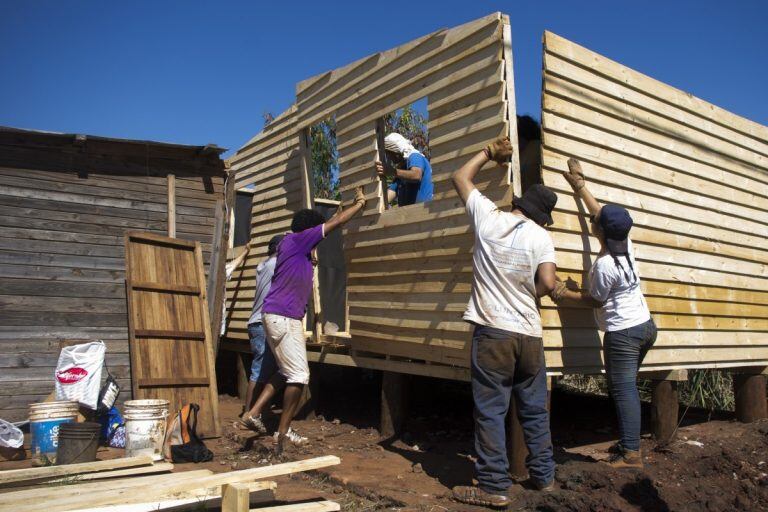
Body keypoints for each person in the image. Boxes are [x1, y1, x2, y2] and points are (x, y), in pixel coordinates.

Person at [450, 137, 559, 509]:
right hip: (529, 334)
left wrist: (487, 153)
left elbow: (459, 177)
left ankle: (494, 487)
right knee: (533, 410)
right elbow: (546, 283)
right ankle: (543, 478)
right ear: (542, 217)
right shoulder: (543, 237)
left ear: (518, 205)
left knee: (491, 410)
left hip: (493, 333)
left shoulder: (488, 218)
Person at [241, 187, 367, 453]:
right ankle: (282, 432)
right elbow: (335, 223)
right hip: (284, 317)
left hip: (277, 315)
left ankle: (253, 413)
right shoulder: (298, 240)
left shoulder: (291, 246)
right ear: (309, 231)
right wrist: (358, 205)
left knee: (285, 371)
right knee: (299, 375)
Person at [551, 158, 656, 469]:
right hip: (645, 326)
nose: (592, 219)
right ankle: (628, 442)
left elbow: (594, 301)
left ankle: (631, 455)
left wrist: (562, 292)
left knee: (624, 391)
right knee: (628, 387)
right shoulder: (626, 243)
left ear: (598, 231)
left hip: (624, 334)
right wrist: (580, 186)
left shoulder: (605, 265)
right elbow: (601, 214)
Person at [239, 234, 284, 433]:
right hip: (262, 323)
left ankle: (256, 411)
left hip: (256, 323)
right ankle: (249, 414)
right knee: (260, 370)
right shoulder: (276, 265)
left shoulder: (263, 265)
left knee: (263, 368)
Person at [375, 132, 433, 206]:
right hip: (408, 214)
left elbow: (416, 175)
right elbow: (390, 194)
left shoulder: (415, 156)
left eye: (388, 153)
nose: (388, 157)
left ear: (396, 151)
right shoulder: (402, 170)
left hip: (424, 211)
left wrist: (391, 171)